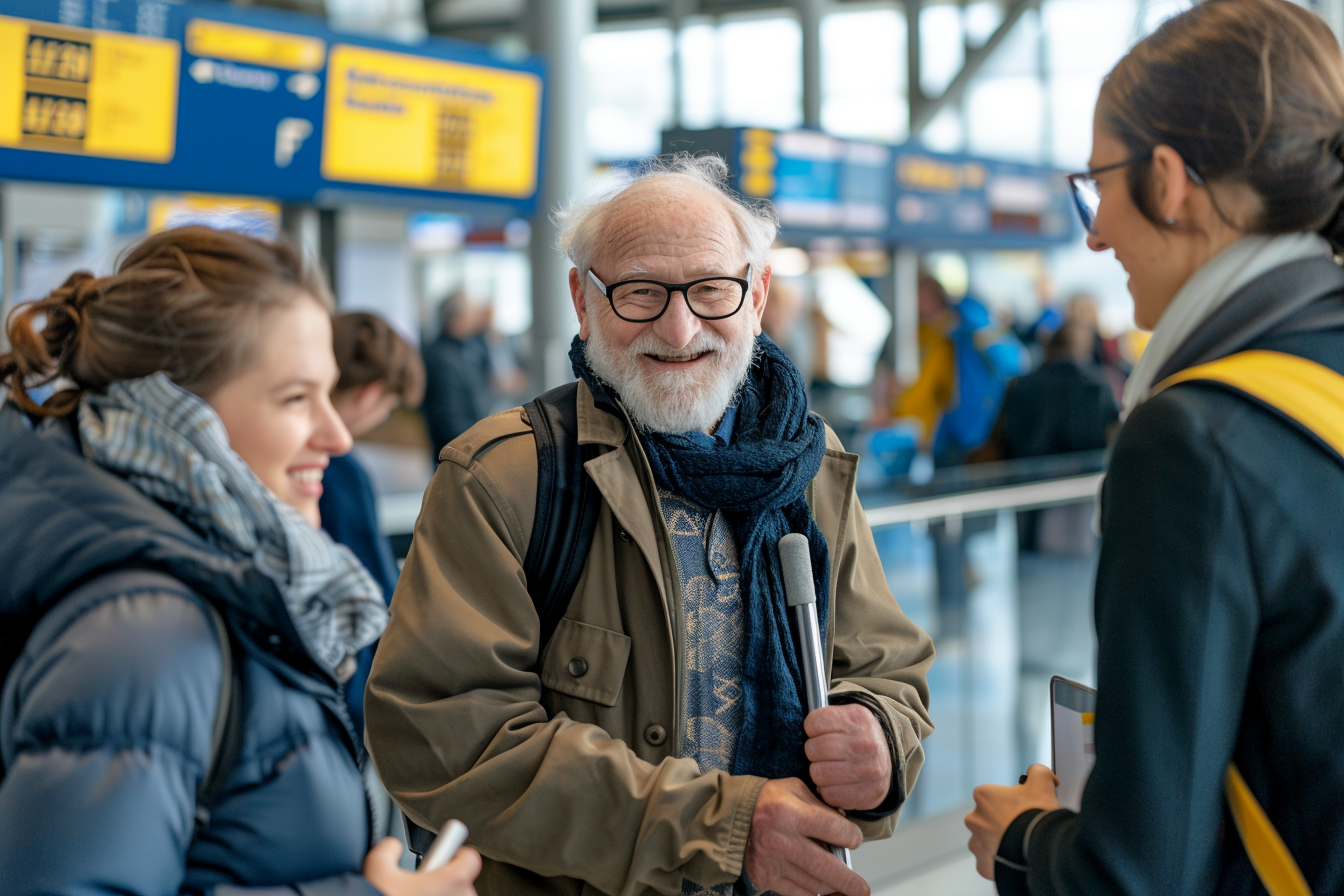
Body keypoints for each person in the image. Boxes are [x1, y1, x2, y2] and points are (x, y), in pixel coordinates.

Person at [365, 155, 936, 896]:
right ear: (583, 298)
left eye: (711, 290)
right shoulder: (506, 477)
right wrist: (723, 827)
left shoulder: (808, 463)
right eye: (639, 292)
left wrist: (880, 736)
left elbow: (886, 668)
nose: (678, 327)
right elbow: (445, 740)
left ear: (756, 295)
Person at [965, 1, 1344, 892]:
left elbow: (1138, 875)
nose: (1094, 232)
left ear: (1169, 180)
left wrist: (1024, 839)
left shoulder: (1192, 440)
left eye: (1097, 183)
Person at [0, 226, 479, 896]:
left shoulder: (228, 587)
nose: (337, 434)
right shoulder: (148, 629)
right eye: (294, 398)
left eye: (329, 393)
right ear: (176, 410)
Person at [322, 311, 426, 735]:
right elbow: (381, 599)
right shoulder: (339, 469)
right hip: (346, 693)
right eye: (389, 405)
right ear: (371, 393)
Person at [420, 289, 494, 459]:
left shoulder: (464, 349)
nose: (476, 318)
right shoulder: (442, 358)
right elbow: (448, 417)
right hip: (458, 452)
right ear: (457, 319)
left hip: (468, 445)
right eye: (471, 313)